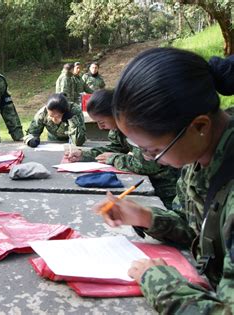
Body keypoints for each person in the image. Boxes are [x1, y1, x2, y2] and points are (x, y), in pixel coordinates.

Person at [93, 48, 234, 313]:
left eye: (155, 151)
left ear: (200, 126)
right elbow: (199, 230)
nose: (153, 161)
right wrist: (146, 217)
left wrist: (160, 284)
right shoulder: (200, 157)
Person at [66, 89, 180, 208]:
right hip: (150, 184)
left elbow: (146, 165)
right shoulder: (118, 128)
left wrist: (114, 159)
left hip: (167, 191)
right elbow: (115, 148)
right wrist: (84, 155)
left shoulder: (138, 126)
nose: (100, 127)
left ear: (115, 113)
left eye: (102, 122)